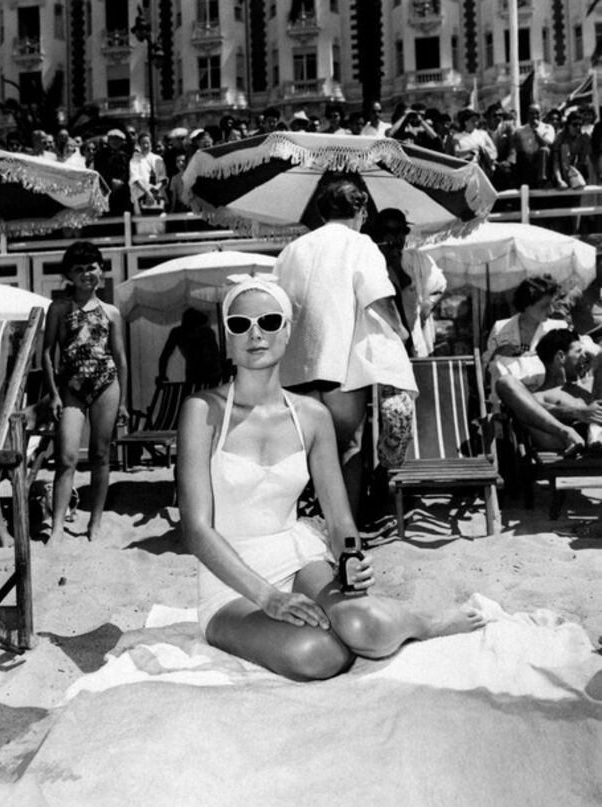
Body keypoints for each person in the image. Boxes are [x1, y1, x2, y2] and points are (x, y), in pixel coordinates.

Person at [176, 279, 485, 681]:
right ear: (228, 340)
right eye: (240, 324)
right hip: (230, 582)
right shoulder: (201, 410)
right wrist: (268, 598)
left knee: (363, 626)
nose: (255, 333)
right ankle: (340, 627)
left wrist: (350, 557)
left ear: (287, 331)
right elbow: (196, 530)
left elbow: (340, 521)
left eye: (269, 321)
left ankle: (423, 622)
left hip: (297, 558)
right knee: (316, 655)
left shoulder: (311, 416)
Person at [273, 180, 416, 519]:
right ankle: (346, 536)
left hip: (295, 369)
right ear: (361, 213)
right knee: (349, 449)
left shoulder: (292, 250)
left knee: (305, 455)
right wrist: (401, 330)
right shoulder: (359, 243)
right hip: (341, 366)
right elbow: (377, 294)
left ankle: (305, 530)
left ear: (322, 213)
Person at [42, 242, 128, 546]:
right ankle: (56, 529)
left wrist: (124, 402)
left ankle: (95, 522)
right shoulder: (59, 309)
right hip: (71, 388)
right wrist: (54, 394)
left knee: (100, 455)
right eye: (78, 269)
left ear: (101, 270)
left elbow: (119, 358)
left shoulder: (111, 312)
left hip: (106, 383)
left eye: (91, 267)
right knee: (66, 458)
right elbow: (47, 354)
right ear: (69, 275)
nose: (86, 274)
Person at [496, 327, 602, 455]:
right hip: (559, 441)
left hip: (595, 436)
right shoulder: (537, 396)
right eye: (579, 352)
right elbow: (535, 409)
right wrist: (578, 413)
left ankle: (595, 436)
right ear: (561, 357)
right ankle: (567, 433)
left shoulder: (589, 386)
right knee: (505, 382)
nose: (584, 357)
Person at [370, 208, 446, 358]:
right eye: (391, 231)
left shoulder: (417, 259)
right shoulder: (370, 263)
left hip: (415, 340)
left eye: (402, 231)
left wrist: (429, 304)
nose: (398, 238)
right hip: (383, 346)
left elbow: (439, 285)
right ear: (379, 234)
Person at [483, 274, 568, 403]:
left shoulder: (558, 329)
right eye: (544, 306)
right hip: (507, 403)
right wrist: (497, 353)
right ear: (527, 304)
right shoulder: (501, 328)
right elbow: (486, 374)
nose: (551, 311)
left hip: (548, 402)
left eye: (552, 304)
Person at [157, 307, 223, 387]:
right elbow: (165, 356)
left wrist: (162, 375)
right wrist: (162, 375)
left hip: (206, 371)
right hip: (199, 371)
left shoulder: (180, 333)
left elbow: (216, 354)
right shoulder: (204, 332)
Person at [129, 132, 168, 213]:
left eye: (147, 143)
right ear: (139, 145)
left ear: (151, 143)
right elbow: (135, 179)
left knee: (159, 223)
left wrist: (155, 190)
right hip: (141, 197)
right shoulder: (134, 160)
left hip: (157, 197)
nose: (145, 145)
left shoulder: (158, 159)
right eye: (143, 143)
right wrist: (147, 192)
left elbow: (163, 178)